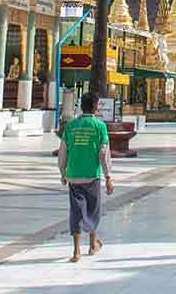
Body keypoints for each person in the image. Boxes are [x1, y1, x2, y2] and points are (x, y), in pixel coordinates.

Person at [59, 87, 114, 263]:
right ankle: (92, 244)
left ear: (81, 107)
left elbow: (63, 152)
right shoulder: (100, 126)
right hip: (92, 174)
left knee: (76, 211)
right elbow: (103, 153)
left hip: (74, 174)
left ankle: (76, 251)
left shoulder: (70, 126)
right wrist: (108, 177)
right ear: (96, 107)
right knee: (93, 209)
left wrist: (63, 172)